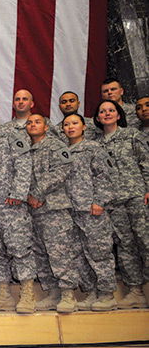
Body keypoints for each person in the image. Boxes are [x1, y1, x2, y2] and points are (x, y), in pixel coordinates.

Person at [0, 96, 36, 314]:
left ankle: (27, 293)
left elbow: (23, 163)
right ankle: (3, 294)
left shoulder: (10, 134)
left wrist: (18, 193)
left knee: (19, 247)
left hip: (8, 202)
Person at [94, 100, 148, 308]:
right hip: (113, 202)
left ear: (118, 115)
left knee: (145, 241)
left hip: (136, 196)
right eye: (102, 111)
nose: (107, 114)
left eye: (111, 111)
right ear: (97, 118)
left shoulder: (132, 135)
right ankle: (135, 290)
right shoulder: (96, 144)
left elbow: (145, 162)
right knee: (125, 245)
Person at [62, 113, 118, 311]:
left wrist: (100, 201)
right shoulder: (63, 152)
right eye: (66, 124)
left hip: (91, 209)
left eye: (75, 123)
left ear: (84, 127)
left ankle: (107, 293)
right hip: (71, 210)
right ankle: (91, 291)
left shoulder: (93, 148)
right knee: (78, 253)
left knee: (99, 251)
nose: (70, 127)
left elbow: (106, 176)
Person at [26, 114, 80, 313]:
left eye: (37, 122)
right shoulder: (25, 149)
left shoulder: (56, 146)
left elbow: (62, 170)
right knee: (40, 253)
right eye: (29, 123)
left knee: (60, 251)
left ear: (46, 127)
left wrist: (38, 192)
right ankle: (52, 293)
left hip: (53, 208)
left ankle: (67, 294)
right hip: (31, 210)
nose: (32, 125)